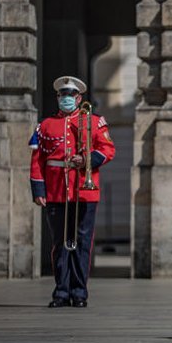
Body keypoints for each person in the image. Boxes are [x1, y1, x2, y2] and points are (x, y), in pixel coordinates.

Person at [30, 76, 115, 308]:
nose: (66, 99)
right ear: (58, 98)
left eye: (70, 95)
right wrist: (39, 189)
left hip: (84, 191)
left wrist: (86, 159)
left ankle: (79, 292)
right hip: (56, 191)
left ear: (79, 98)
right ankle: (61, 291)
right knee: (60, 243)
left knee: (82, 243)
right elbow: (38, 160)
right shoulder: (45, 125)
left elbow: (108, 150)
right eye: (62, 95)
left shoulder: (93, 121)